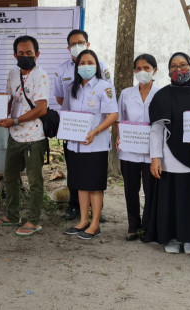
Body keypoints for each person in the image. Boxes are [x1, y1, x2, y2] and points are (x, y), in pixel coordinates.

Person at [145, 52, 190, 255]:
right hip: (170, 158)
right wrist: (155, 158)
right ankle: (172, 237)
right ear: (168, 70)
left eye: (183, 65)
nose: (178, 70)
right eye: (173, 66)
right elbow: (156, 130)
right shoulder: (162, 95)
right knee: (171, 200)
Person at [0, 35, 50, 237]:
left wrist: (15, 121)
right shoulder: (12, 74)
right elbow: (9, 100)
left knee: (35, 181)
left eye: (29, 53)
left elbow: (42, 109)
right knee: (10, 177)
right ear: (15, 54)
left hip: (34, 136)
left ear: (37, 54)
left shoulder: (40, 76)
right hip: (15, 136)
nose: (25, 56)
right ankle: (12, 215)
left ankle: (33, 220)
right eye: (21, 53)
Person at [52, 29, 112, 221]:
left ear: (87, 43)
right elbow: (62, 99)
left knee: (95, 177)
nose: (77, 46)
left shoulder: (101, 68)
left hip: (96, 137)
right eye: (73, 43)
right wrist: (73, 124)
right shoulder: (63, 71)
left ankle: (97, 212)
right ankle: (75, 207)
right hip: (74, 134)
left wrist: (93, 128)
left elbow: (110, 106)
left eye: (81, 42)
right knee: (75, 173)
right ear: (68, 46)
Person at [62, 50, 118, 240]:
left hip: (96, 145)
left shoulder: (104, 87)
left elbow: (113, 115)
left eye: (90, 62)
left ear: (96, 65)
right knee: (81, 185)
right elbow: (66, 113)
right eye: (82, 62)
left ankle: (95, 224)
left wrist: (95, 131)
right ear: (77, 66)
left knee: (94, 186)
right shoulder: (71, 88)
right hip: (76, 145)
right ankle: (83, 221)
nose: (86, 66)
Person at [116, 54, 160, 241]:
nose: (143, 72)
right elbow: (120, 118)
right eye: (139, 68)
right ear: (134, 71)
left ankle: (149, 227)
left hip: (152, 152)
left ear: (155, 71)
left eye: (147, 68)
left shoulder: (161, 94)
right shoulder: (126, 94)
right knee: (131, 189)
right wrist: (119, 136)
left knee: (151, 191)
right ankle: (133, 226)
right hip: (129, 151)